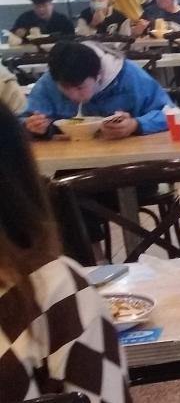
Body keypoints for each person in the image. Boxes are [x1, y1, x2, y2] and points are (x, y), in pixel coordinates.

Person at [0, 103, 132, 403]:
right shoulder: (51, 288)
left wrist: (136, 123)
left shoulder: (133, 82)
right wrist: (41, 126)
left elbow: (161, 109)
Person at [22, 40, 172, 139]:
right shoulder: (51, 80)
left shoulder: (128, 76)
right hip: (72, 159)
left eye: (80, 87)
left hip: (130, 159)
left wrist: (136, 125)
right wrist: (35, 127)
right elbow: (23, 121)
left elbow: (171, 113)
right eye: (66, 88)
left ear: (99, 76)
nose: (73, 96)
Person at [10, 0, 75, 39]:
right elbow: (12, 35)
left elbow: (71, 37)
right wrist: (16, 34)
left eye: (44, 5)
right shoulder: (25, 18)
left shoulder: (62, 20)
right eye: (37, 6)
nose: (41, 9)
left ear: (51, 5)